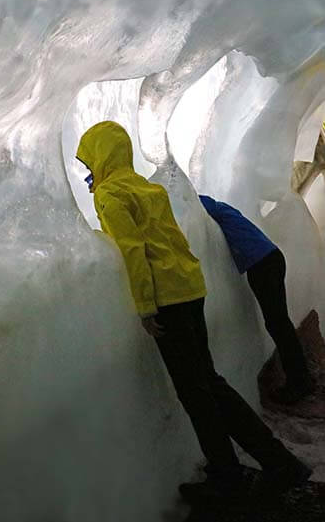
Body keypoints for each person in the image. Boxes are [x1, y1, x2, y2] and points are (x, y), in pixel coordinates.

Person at [75, 121, 310, 503]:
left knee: (197, 393)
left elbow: (133, 251)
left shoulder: (110, 194)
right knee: (209, 384)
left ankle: (235, 475)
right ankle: (268, 464)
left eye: (89, 162)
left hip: (167, 301)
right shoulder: (148, 188)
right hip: (191, 290)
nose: (88, 172)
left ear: (101, 157)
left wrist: (146, 308)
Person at [199, 195, 315, 404]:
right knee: (279, 323)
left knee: (278, 323)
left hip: (262, 264)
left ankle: (299, 382)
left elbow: (195, 206)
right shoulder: (226, 209)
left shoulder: (211, 207)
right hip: (269, 259)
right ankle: (301, 377)